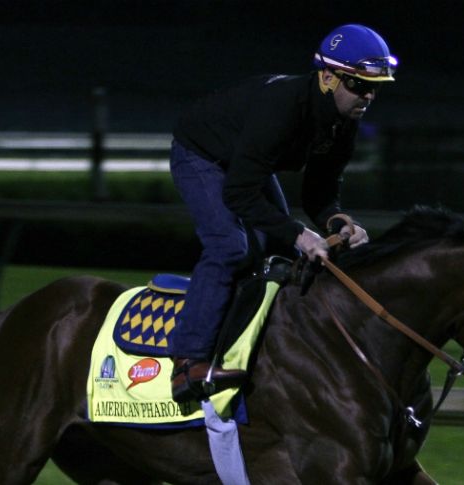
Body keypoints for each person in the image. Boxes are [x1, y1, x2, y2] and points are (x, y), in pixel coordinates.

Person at [168, 24, 399, 403]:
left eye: (376, 87)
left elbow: (319, 195)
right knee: (230, 247)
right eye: (359, 85)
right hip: (202, 155)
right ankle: (187, 363)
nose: (368, 96)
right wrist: (299, 233)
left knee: (287, 254)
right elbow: (239, 192)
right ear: (328, 76)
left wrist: (338, 223)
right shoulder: (282, 108)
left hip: (245, 164)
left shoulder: (344, 123)